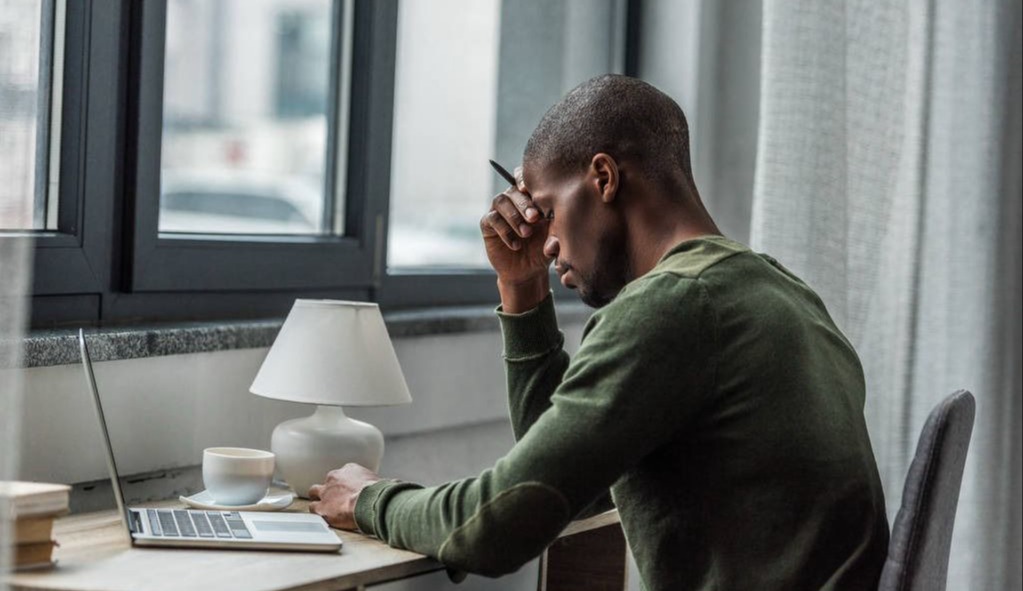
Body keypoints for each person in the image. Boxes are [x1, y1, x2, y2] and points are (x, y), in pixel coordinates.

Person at [308, 75, 890, 590]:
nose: (545, 241)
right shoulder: (778, 291)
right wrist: (522, 288)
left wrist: (368, 499)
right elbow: (568, 481)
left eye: (546, 210)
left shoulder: (671, 306)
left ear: (605, 177)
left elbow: (502, 525)